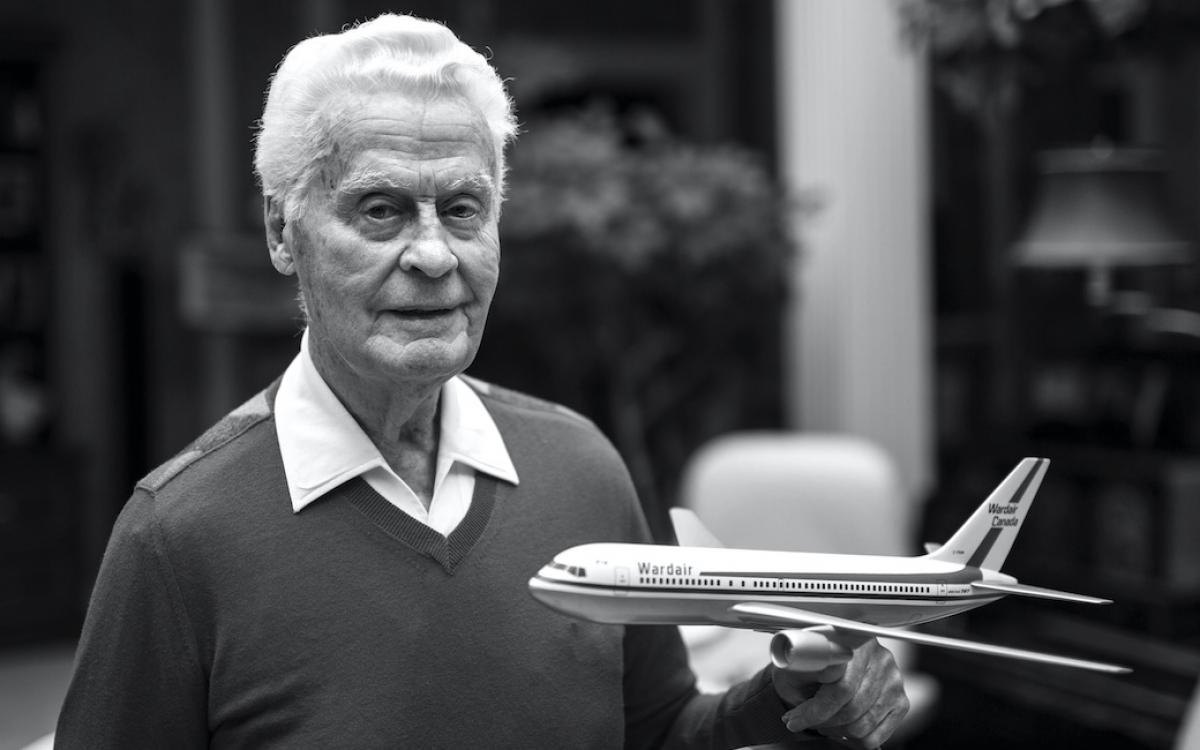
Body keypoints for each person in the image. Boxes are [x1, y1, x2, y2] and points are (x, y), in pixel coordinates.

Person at [56, 13, 908, 749]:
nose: (433, 255)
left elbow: (654, 732)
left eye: (463, 210)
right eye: (380, 209)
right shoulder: (176, 540)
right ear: (284, 230)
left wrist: (789, 704)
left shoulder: (580, 467)